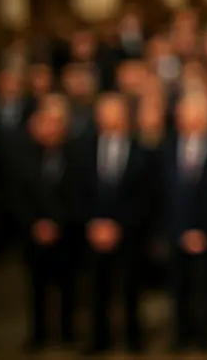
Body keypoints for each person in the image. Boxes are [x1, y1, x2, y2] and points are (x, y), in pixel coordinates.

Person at [76, 92, 154, 354]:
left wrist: (119, 224)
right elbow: (79, 191)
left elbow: (145, 195)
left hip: (129, 231)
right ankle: (99, 339)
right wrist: (94, 223)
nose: (111, 118)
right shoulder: (84, 149)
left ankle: (134, 339)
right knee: (97, 288)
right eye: (106, 112)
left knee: (131, 287)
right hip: (94, 231)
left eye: (116, 112)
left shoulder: (142, 150)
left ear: (125, 116)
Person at [11, 96, 79, 351]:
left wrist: (57, 223)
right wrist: (36, 223)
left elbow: (78, 193)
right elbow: (16, 195)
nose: (51, 128)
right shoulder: (23, 156)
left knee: (67, 286)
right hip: (34, 232)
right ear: (35, 125)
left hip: (66, 231)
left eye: (56, 122)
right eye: (46, 122)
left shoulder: (75, 154)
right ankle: (38, 333)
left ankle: (68, 333)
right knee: (37, 287)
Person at [162, 92, 207, 351]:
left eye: (195, 115)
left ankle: (205, 337)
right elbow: (162, 194)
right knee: (178, 288)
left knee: (206, 288)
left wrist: (203, 230)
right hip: (176, 231)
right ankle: (180, 336)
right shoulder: (167, 149)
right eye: (185, 115)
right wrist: (179, 230)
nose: (189, 120)